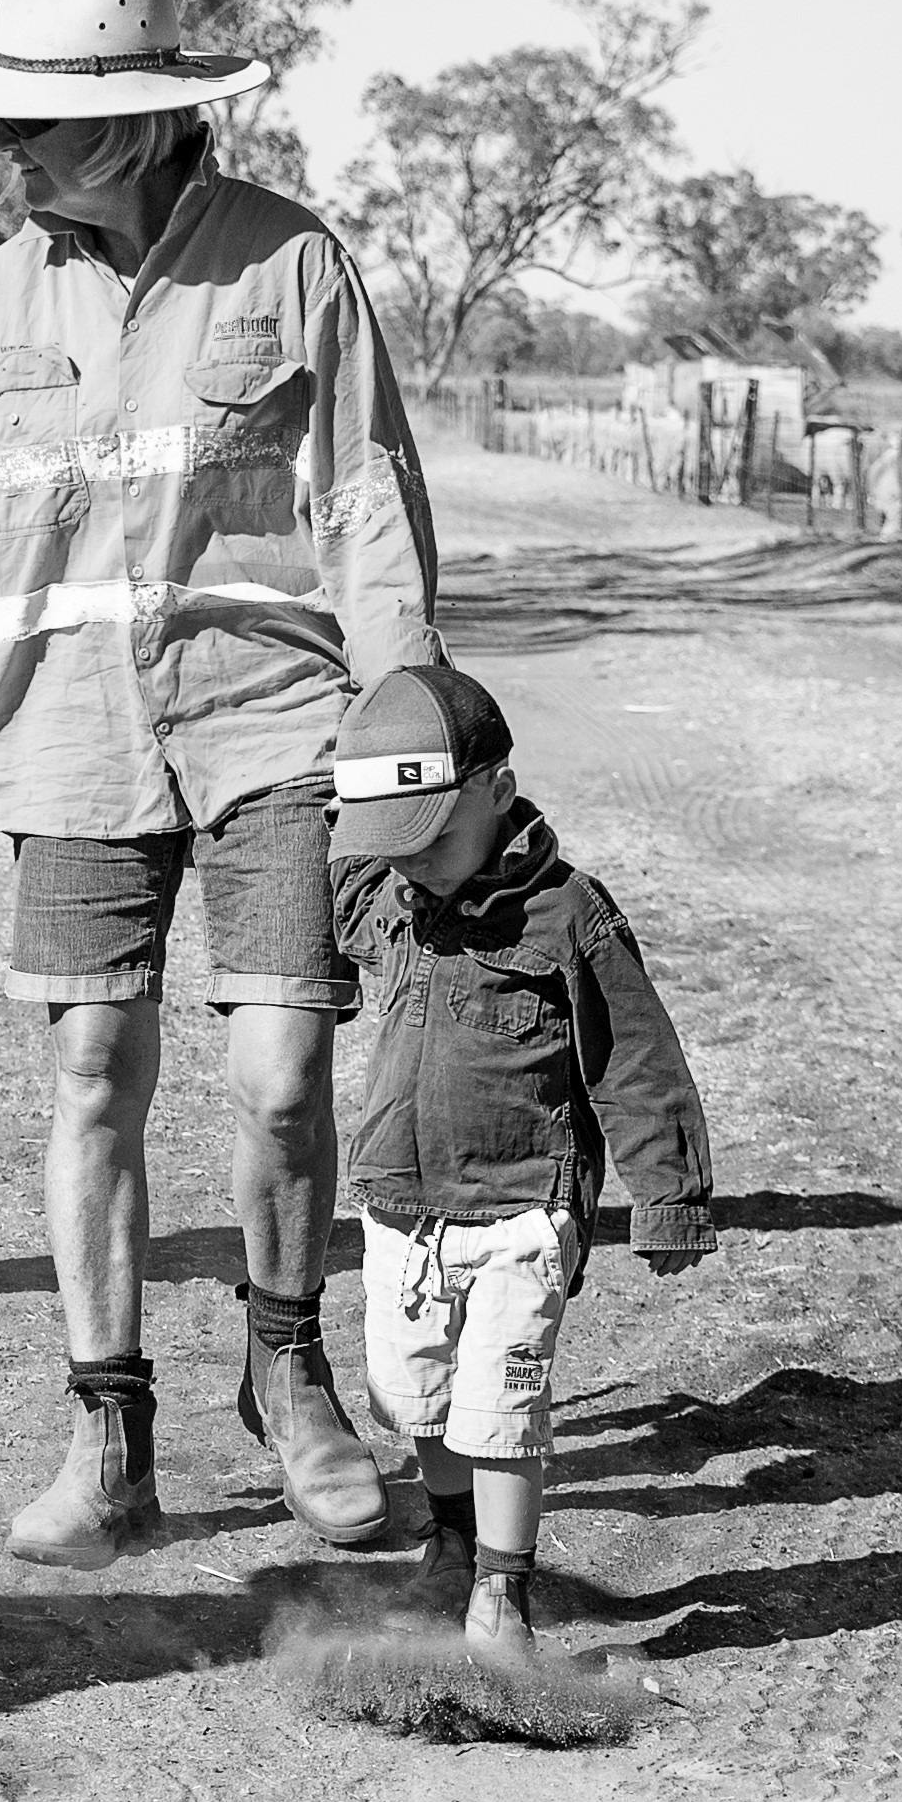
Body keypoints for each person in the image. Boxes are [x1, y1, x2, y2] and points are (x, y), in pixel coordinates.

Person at [0, 0, 442, 1567]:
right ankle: (107, 1431)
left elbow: (369, 500)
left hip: (273, 717)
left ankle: (289, 1368)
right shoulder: (2, 289)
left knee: (279, 1076)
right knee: (89, 1072)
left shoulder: (295, 265)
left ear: (133, 121)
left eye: (38, 121)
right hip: (62, 724)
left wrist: (411, 724)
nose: (9, 151)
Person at [326, 660, 714, 1650]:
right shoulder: (393, 891)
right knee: (412, 1397)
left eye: (431, 837)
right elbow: (339, 871)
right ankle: (450, 1550)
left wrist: (666, 1198)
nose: (411, 864)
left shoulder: (569, 916)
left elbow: (634, 1060)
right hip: (399, 1204)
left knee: (497, 1413)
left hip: (519, 1210)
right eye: (391, 845)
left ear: (497, 793)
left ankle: (503, 1597)